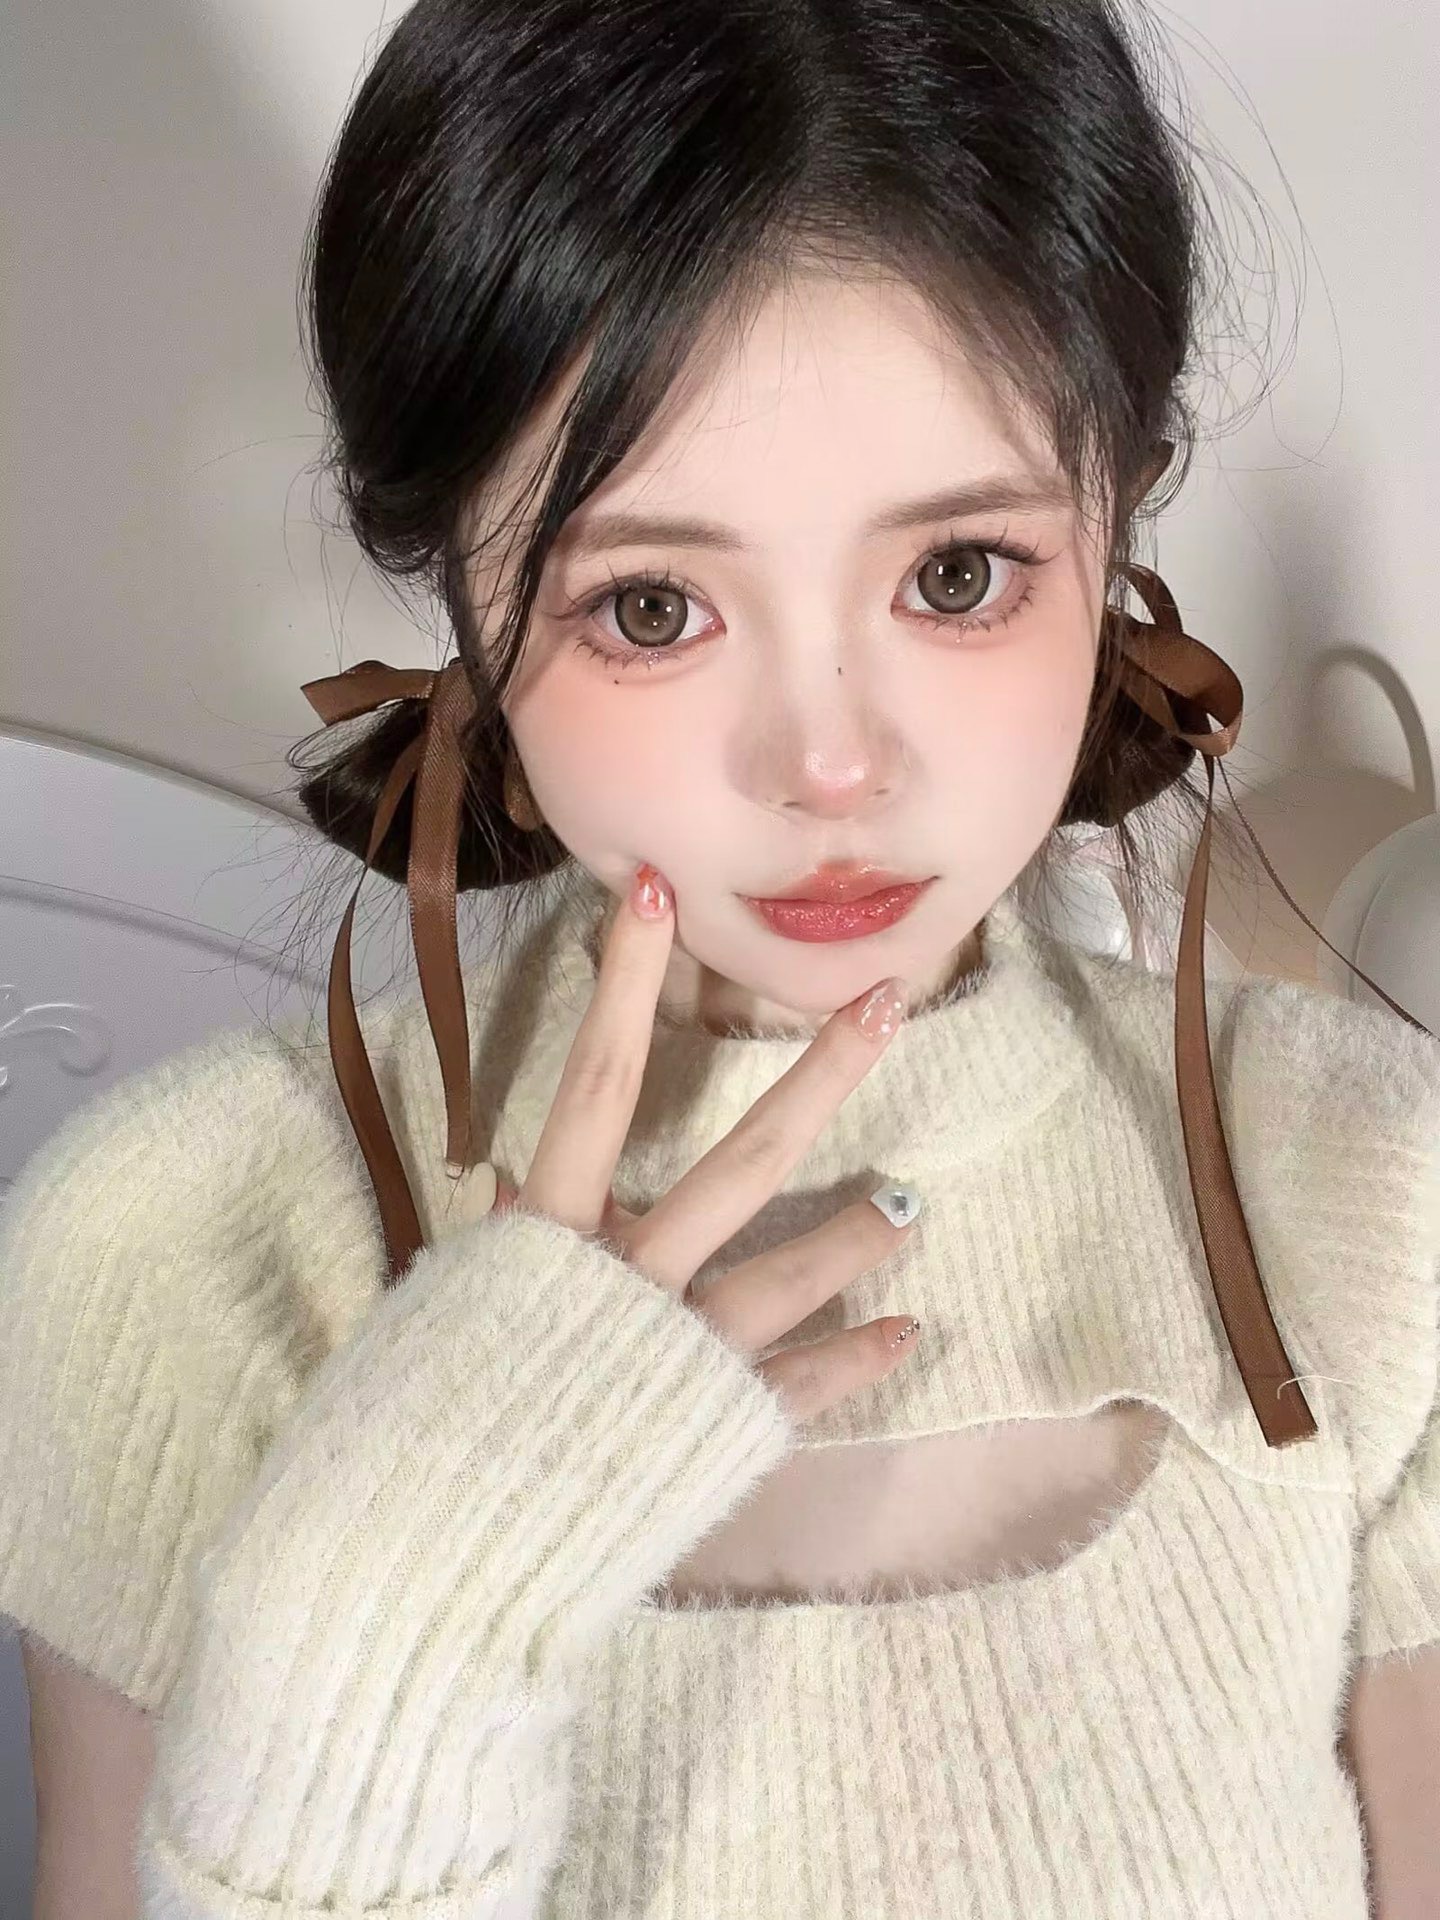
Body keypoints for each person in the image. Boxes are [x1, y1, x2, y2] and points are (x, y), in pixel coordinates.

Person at [2, 1, 1437, 1914]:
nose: (830, 763)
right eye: (655, 606)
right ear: (463, 595)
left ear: (1115, 513)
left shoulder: (1373, 1194)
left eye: (955, 576)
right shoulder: (179, 1251)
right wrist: (387, 1613)